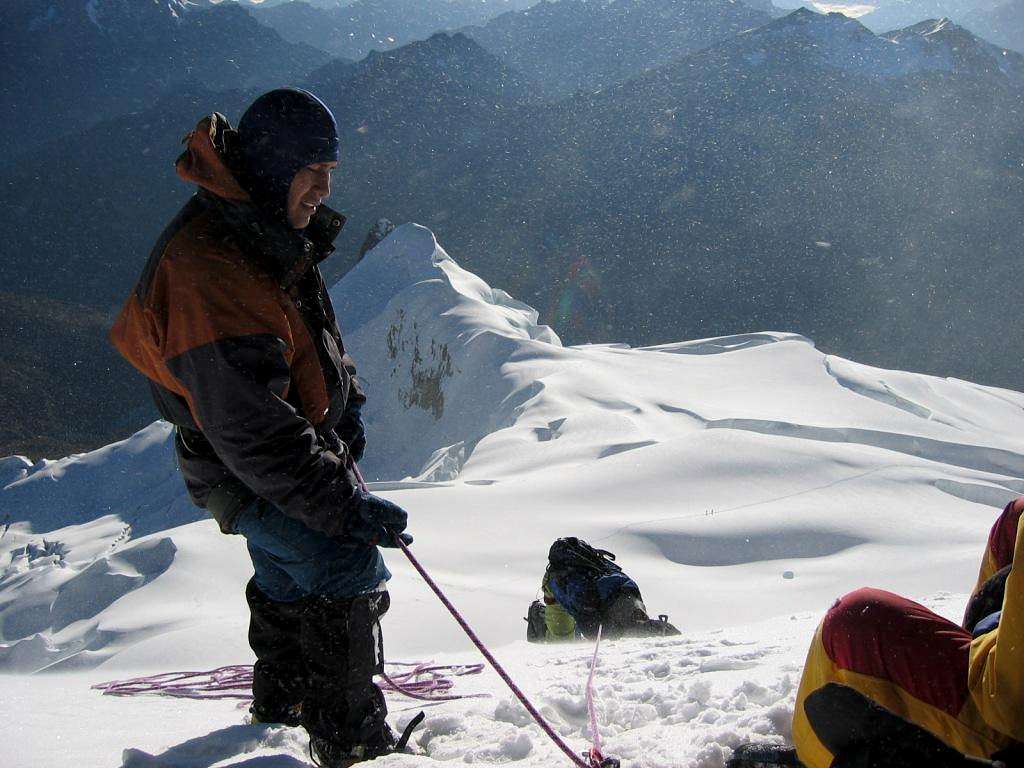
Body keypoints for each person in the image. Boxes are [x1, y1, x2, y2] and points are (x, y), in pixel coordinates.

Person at [110, 88, 412, 767]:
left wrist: (347, 408)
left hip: (255, 463)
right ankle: (351, 742)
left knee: (284, 571)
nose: (325, 189)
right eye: (314, 172)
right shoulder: (210, 269)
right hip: (243, 466)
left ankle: (282, 705)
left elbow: (312, 335)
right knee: (341, 564)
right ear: (277, 169)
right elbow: (252, 430)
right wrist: (342, 501)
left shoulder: (257, 231)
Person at [731, 497, 1024, 768]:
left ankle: (812, 760)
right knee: (1015, 517)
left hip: (1009, 711)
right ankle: (939, 698)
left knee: (851, 622)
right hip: (1007, 669)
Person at [530, 537, 679, 641]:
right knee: (562, 641)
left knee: (568, 632)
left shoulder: (622, 605)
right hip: (569, 584)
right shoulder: (598, 589)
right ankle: (542, 623)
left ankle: (544, 619)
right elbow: (593, 631)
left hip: (577, 586)